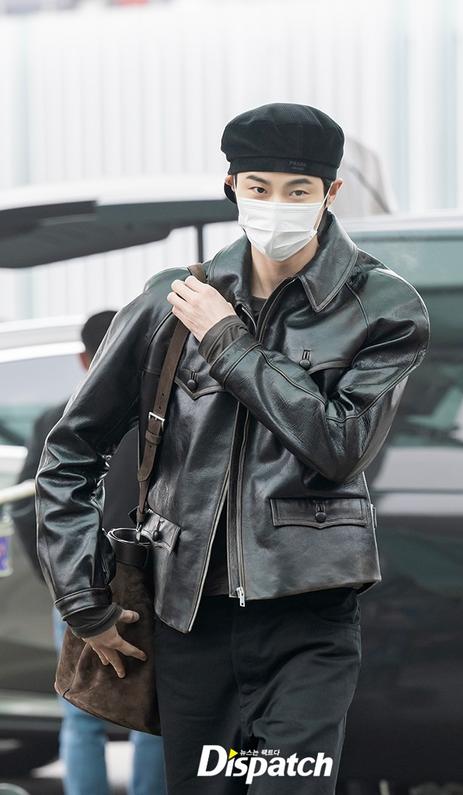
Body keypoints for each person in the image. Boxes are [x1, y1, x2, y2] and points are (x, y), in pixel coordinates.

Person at [35, 102, 431, 794]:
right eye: (259, 187)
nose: (277, 205)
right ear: (232, 188)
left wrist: (227, 341)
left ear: (332, 192)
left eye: (298, 190)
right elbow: (70, 452)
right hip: (189, 616)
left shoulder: (381, 309)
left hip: (310, 612)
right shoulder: (168, 303)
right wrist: (81, 598)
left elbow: (340, 444)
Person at [12, 311, 166, 795]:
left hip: (83, 584)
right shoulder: (166, 413)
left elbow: (28, 509)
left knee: (80, 709)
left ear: (85, 360)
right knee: (151, 709)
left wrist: (61, 579)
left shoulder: (59, 418)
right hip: (151, 581)